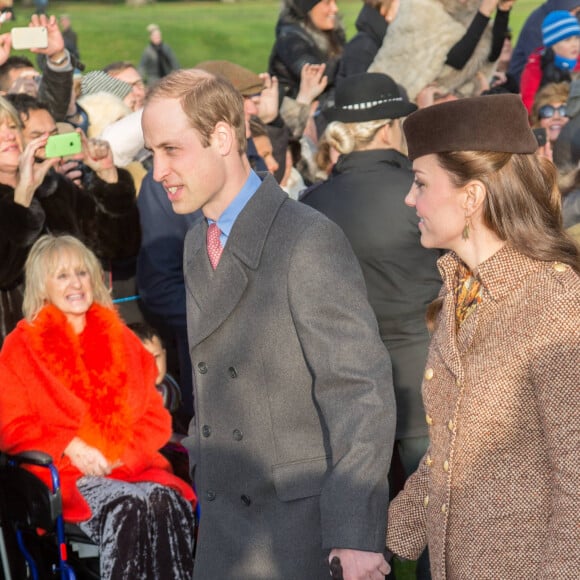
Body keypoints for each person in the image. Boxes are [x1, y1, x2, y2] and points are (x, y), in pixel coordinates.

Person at [142, 68, 396, 579]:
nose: (157, 171)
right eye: (151, 154)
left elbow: (358, 390)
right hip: (223, 528)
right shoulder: (196, 243)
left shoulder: (306, 239)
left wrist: (355, 532)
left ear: (221, 137)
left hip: (297, 534)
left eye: (171, 150)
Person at [385, 93, 580, 578]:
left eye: (421, 183)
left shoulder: (552, 301)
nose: (410, 199)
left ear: (471, 197)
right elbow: (450, 448)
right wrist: (385, 539)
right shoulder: (462, 288)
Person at [302, 72, 442, 579]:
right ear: (387, 130)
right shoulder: (421, 192)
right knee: (440, 526)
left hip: (349, 392)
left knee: (362, 531)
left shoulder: (310, 205)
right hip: (429, 380)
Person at [0, 234, 196, 579]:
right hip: (64, 474)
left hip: (130, 464)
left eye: (81, 273)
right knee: (128, 505)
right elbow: (10, 426)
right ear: (42, 286)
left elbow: (154, 418)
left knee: (168, 500)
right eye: (62, 276)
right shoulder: (21, 345)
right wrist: (70, 446)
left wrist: (122, 454)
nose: (75, 283)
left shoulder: (121, 339)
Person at [0, 95, 140, 347]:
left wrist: (108, 178)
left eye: (11, 127)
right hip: (16, 354)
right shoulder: (30, 193)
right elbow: (3, 271)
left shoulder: (54, 188)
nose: (8, 136)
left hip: (77, 344)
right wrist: (22, 200)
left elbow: (118, 248)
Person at [268, 0, 346, 112]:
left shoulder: (333, 34)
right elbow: (315, 74)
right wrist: (353, 55)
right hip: (293, 117)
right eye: (327, 3)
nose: (335, 9)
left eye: (335, 2)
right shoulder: (290, 39)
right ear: (307, 8)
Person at [508, 0, 580, 87]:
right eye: (573, 11)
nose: (575, 16)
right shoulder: (538, 26)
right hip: (529, 87)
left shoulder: (567, 18)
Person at [520, 10, 580, 112]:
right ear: (552, 44)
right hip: (548, 120)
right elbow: (528, 105)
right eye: (567, 40)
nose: (574, 44)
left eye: (577, 38)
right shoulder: (536, 67)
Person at [530, 81, 570, 146]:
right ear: (538, 120)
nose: (556, 117)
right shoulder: (522, 154)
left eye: (564, 110)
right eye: (547, 111)